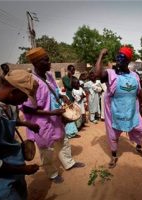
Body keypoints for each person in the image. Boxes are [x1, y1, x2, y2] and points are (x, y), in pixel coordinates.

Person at [20, 47, 85, 183]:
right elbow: (27, 109)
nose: (50, 63)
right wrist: (51, 112)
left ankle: (69, 163)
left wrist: (62, 97)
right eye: (46, 60)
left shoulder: (49, 76)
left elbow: (55, 91)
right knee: (46, 149)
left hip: (56, 119)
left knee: (63, 141)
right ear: (36, 63)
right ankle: (52, 173)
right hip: (42, 123)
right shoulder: (31, 81)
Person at [0, 70, 40, 199]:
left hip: (14, 167)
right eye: (25, 96)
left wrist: (26, 124)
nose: (26, 100)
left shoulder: (7, 104)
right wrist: (23, 170)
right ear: (14, 92)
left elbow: (6, 120)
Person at [95, 46, 142, 168]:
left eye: (122, 57)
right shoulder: (110, 74)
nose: (119, 59)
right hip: (115, 113)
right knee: (113, 136)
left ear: (128, 61)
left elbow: (139, 92)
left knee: (141, 130)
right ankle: (114, 155)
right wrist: (101, 55)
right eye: (118, 56)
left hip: (131, 112)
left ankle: (139, 147)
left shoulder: (134, 75)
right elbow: (97, 74)